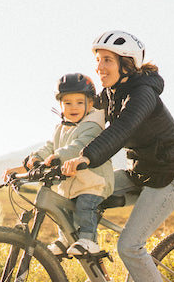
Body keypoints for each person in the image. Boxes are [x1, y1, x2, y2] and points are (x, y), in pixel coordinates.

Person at [62, 30, 174, 282]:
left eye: (107, 60)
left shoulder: (142, 93)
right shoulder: (110, 95)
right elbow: (85, 128)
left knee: (130, 245)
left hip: (169, 176)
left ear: (127, 64)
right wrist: (56, 156)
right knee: (78, 197)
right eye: (98, 61)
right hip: (140, 174)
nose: (100, 67)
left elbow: (121, 131)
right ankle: (101, 281)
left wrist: (88, 157)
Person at [6, 73, 114, 256]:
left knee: (85, 207)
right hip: (71, 185)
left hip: (93, 184)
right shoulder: (62, 128)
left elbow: (78, 147)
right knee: (61, 209)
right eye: (68, 103)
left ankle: (89, 240)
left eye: (80, 102)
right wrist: (34, 160)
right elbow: (49, 146)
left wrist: (56, 158)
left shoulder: (92, 127)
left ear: (90, 104)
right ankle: (66, 240)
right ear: (60, 105)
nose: (73, 107)